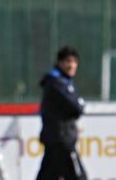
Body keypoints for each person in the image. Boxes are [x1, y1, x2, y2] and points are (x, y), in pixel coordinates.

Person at [36, 45, 87, 180]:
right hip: (62, 141)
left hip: (56, 141)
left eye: (75, 62)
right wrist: (78, 105)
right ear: (60, 62)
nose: (72, 65)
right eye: (68, 61)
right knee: (79, 177)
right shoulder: (56, 82)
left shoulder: (63, 81)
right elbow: (77, 106)